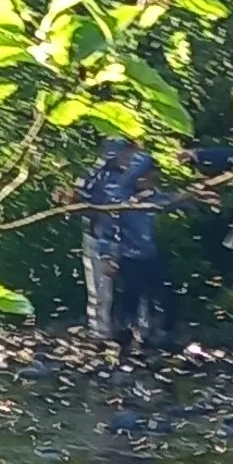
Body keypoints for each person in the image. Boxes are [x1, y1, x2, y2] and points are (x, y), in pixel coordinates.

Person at [81, 135, 166, 354]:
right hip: (99, 235)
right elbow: (81, 202)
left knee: (137, 288)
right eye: (124, 152)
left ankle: (141, 331)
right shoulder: (96, 175)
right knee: (101, 289)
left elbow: (159, 199)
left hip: (132, 241)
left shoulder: (137, 177)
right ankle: (99, 333)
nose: (126, 157)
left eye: (130, 153)